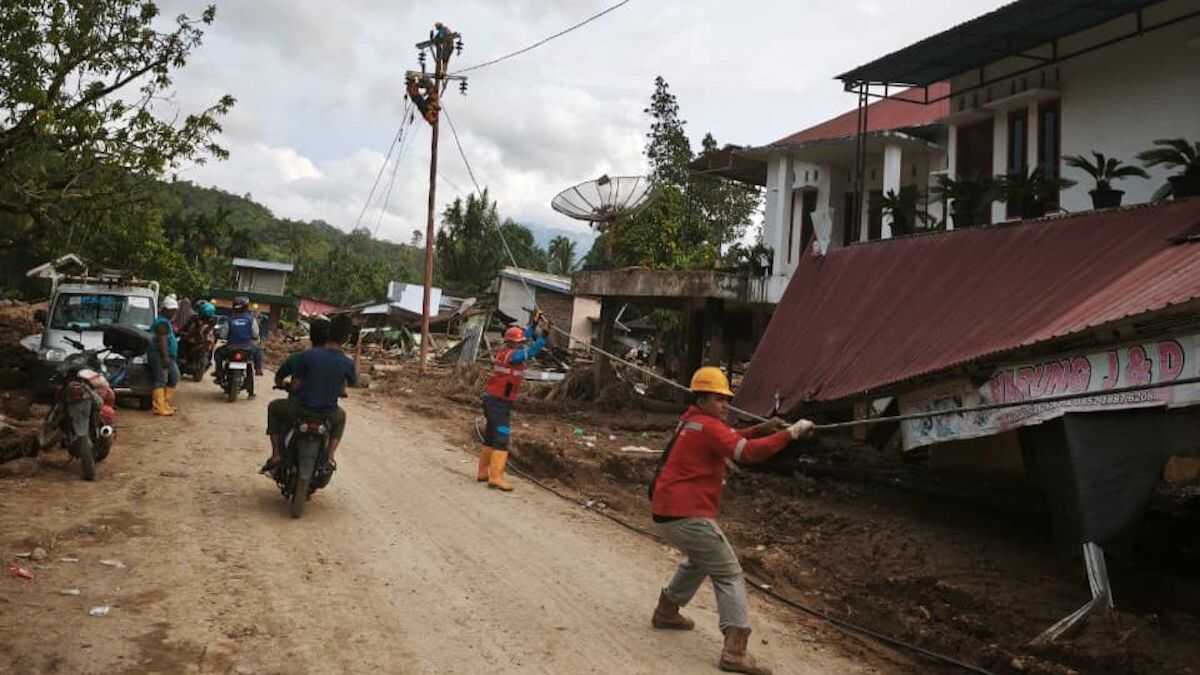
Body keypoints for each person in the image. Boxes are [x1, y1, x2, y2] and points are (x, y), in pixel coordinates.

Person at [648, 367, 815, 675]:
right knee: (729, 573)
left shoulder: (691, 420)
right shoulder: (709, 426)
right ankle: (735, 651)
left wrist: (763, 428)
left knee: (699, 561)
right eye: (719, 399)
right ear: (703, 398)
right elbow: (746, 453)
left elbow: (730, 440)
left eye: (726, 399)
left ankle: (667, 611)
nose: (725, 404)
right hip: (687, 514)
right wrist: (788, 435)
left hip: (667, 510)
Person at [262, 315, 355, 473]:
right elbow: (351, 384)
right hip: (328, 414)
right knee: (341, 417)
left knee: (273, 407)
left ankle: (276, 454)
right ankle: (330, 457)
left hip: (300, 409)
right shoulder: (346, 362)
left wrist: (290, 387)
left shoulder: (307, 356)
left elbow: (296, 386)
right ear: (347, 338)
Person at [477, 313, 548, 492]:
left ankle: (483, 472)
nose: (523, 342)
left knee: (491, 436)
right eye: (520, 341)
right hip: (499, 402)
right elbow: (531, 351)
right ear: (514, 343)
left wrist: (534, 324)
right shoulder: (514, 356)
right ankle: (496, 477)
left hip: (491, 399)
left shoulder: (504, 352)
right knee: (502, 437)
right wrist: (544, 337)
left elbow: (524, 334)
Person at [214, 296, 263, 382]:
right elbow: (255, 334)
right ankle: (258, 369)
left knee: (217, 353)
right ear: (246, 307)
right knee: (258, 351)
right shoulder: (251, 319)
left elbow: (223, 335)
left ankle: (219, 372)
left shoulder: (229, 320)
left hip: (230, 348)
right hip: (247, 348)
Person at [148, 295, 182, 416]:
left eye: (175, 311)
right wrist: (165, 357)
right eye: (172, 311)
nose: (174, 313)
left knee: (174, 377)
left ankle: (165, 403)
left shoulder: (166, 322)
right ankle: (158, 407)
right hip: (159, 355)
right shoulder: (161, 323)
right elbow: (162, 341)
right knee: (160, 380)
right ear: (165, 310)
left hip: (167, 356)